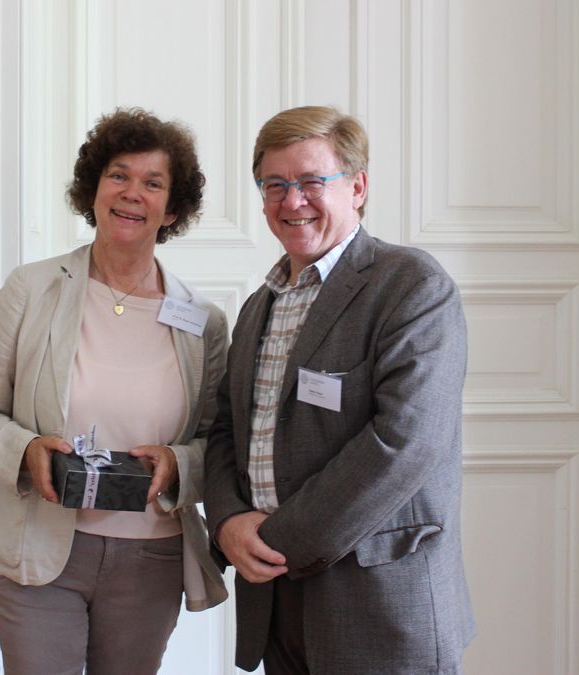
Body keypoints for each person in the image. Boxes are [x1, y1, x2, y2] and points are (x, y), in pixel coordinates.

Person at [0, 108, 228, 674]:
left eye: (153, 183)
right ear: (94, 188)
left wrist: (178, 464)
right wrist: (26, 452)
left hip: (151, 556)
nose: (132, 194)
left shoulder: (203, 322)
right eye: (119, 175)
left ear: (172, 208)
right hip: (40, 548)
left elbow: (217, 444)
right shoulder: (31, 289)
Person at [203, 105, 474, 674]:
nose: (291, 200)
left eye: (310, 181)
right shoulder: (260, 305)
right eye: (274, 184)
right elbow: (226, 427)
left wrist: (277, 540)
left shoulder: (411, 286)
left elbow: (407, 442)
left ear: (358, 187)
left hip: (377, 598)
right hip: (275, 602)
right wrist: (228, 524)